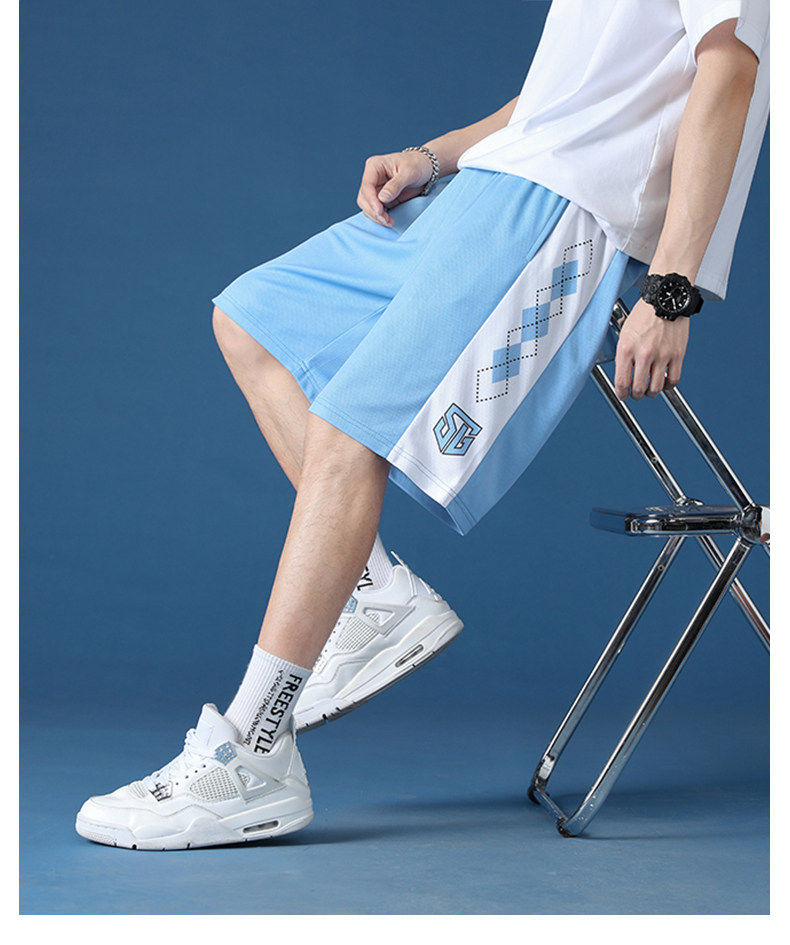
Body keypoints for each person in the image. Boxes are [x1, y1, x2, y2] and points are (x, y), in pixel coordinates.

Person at [75, 0, 769, 850]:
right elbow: (564, 94)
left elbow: (730, 69)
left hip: (562, 213)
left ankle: (253, 753)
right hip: (489, 187)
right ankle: (374, 595)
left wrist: (672, 287)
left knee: (350, 428)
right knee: (250, 319)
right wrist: (433, 156)